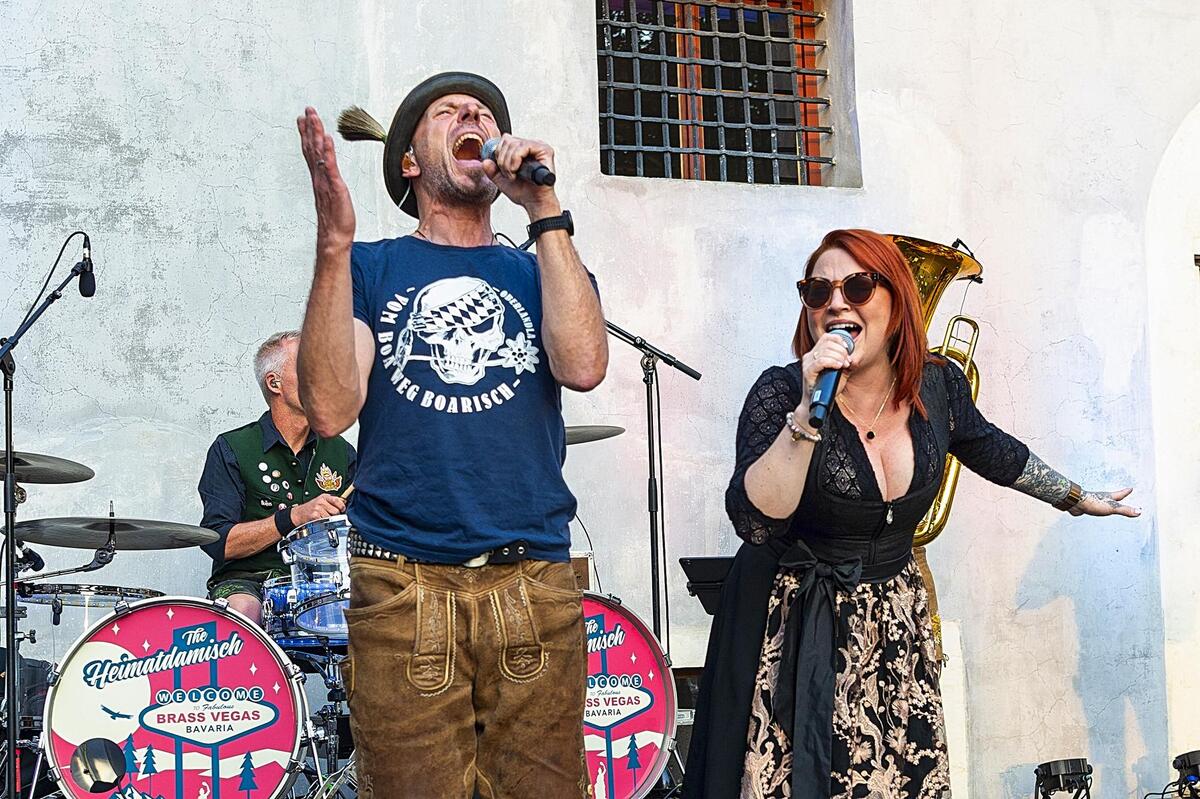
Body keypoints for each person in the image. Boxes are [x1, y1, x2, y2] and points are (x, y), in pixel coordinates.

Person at [683, 229, 1138, 799]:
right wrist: (805, 414)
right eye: (818, 291)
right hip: (794, 626)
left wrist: (1074, 497)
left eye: (858, 287)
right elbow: (755, 520)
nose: (836, 303)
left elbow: (993, 450)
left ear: (897, 300)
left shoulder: (938, 385)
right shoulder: (780, 392)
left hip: (894, 627)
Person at [295, 71, 607, 798]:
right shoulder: (371, 265)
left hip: (533, 580)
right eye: (448, 110)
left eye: (484, 111)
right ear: (409, 161)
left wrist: (545, 207)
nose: (473, 112)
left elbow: (584, 365)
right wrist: (333, 246)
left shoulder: (542, 263)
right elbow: (331, 409)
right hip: (403, 587)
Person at [198, 330, 356, 624]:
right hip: (248, 581)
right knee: (243, 608)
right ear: (274, 383)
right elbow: (220, 543)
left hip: (326, 586)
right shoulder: (231, 448)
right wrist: (293, 517)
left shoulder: (341, 452)